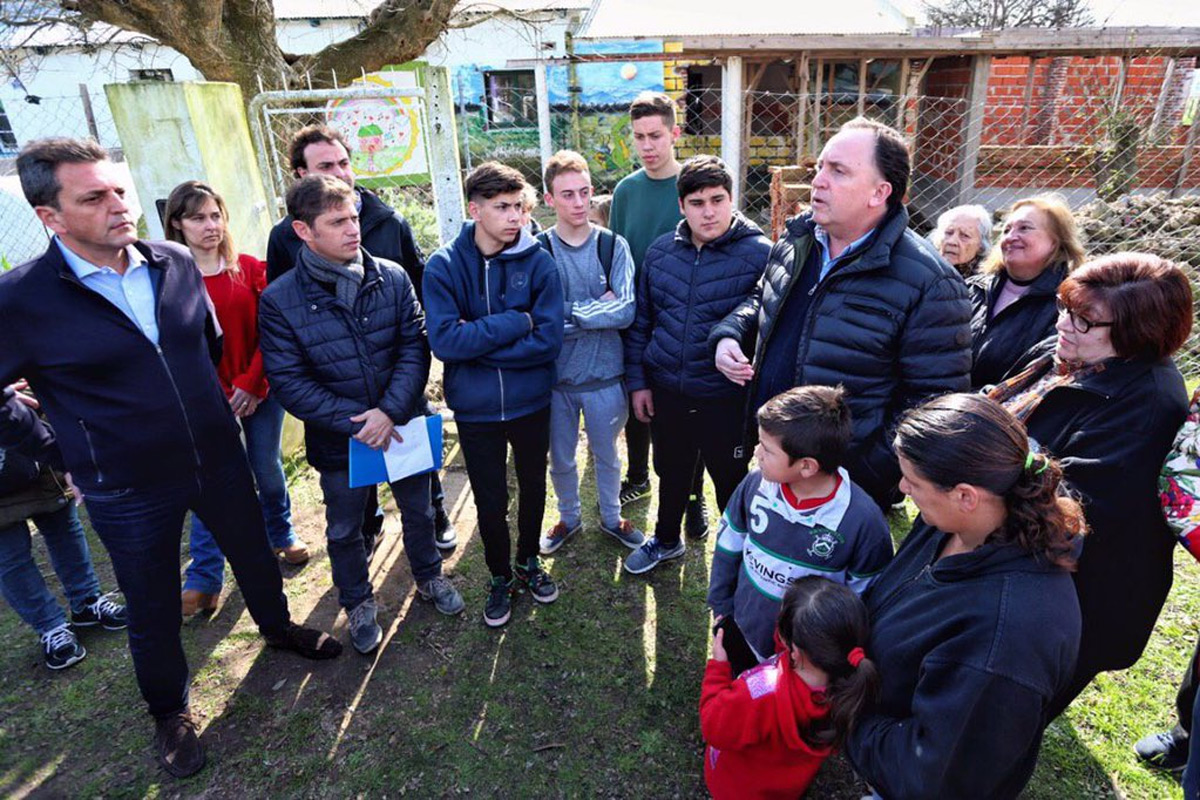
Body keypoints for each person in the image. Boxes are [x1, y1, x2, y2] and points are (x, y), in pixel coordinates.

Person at [0, 137, 340, 779]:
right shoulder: (21, 299)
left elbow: (204, 348)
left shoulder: (174, 261)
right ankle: (170, 712)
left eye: (119, 190)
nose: (117, 206)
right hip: (125, 486)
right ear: (50, 216)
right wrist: (58, 448)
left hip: (215, 456)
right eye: (93, 197)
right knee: (152, 603)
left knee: (254, 554)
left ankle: (277, 629)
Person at [711, 117, 972, 511]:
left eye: (838, 171)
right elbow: (763, 296)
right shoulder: (798, 241)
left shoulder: (931, 284)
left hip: (844, 489)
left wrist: (860, 475)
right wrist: (731, 333)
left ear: (879, 192)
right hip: (774, 460)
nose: (818, 180)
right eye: (820, 167)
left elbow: (932, 405)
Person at [259, 175, 464, 654]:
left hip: (403, 423)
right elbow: (290, 382)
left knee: (418, 510)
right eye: (338, 221)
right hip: (341, 439)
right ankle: (358, 602)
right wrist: (362, 421)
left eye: (353, 216)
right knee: (345, 528)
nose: (354, 228)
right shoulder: (279, 300)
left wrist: (389, 411)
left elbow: (416, 346)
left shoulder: (391, 276)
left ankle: (430, 577)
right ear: (303, 231)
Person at [846, 394, 1084, 799]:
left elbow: (933, 776)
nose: (902, 488)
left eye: (913, 482)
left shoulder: (1005, 641)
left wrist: (844, 713)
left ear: (965, 495)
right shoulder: (954, 524)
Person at [988, 252, 1192, 720]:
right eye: (1065, 308)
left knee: (1003, 718)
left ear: (1137, 334)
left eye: (1085, 319)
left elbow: (1071, 511)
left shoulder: (1149, 405)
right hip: (1015, 565)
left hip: (1074, 598)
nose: (1064, 323)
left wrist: (972, 458)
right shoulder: (1069, 352)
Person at [266, 124, 457, 552]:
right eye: (326, 165)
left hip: (398, 388)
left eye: (344, 163)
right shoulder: (283, 238)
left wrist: (393, 403)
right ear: (302, 174)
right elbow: (287, 317)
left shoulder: (389, 220)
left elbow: (417, 297)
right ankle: (370, 525)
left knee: (418, 484)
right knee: (353, 486)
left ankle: (437, 512)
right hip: (340, 393)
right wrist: (353, 413)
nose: (341, 173)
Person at [423, 161, 564, 628]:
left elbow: (549, 340)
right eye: (502, 207)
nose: (514, 217)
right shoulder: (443, 266)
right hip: (477, 411)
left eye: (519, 207)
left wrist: (480, 346)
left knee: (532, 487)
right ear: (474, 209)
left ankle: (529, 561)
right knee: (489, 497)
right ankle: (499, 575)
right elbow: (445, 343)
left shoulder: (540, 261)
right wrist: (515, 321)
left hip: (531, 402)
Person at [163, 181, 309, 617]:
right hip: (206, 402)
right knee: (215, 486)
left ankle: (280, 533)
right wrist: (216, 395)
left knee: (265, 469)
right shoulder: (167, 278)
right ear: (176, 224)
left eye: (215, 215)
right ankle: (205, 578)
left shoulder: (248, 268)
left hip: (260, 389)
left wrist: (250, 383)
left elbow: (273, 334)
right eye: (197, 217)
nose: (209, 226)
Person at [623, 155, 771, 575]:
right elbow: (642, 322)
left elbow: (766, 317)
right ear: (682, 207)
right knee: (670, 470)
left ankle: (743, 557)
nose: (708, 211)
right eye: (697, 202)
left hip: (727, 396)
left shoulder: (761, 253)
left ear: (731, 199)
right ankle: (667, 540)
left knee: (732, 481)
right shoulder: (660, 253)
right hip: (668, 388)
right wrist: (639, 383)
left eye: (717, 199)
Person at [707, 385, 892, 664]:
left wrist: (827, 654)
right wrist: (721, 604)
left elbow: (862, 601)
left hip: (806, 659)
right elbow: (728, 544)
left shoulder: (863, 523)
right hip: (743, 629)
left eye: (767, 449)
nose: (756, 452)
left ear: (806, 466)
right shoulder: (755, 485)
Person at [609, 92, 708, 538]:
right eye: (639, 138)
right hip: (637, 318)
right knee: (638, 401)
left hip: (684, 320)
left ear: (675, 133)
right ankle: (636, 475)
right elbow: (615, 254)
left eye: (655, 136)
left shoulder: (693, 188)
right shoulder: (627, 192)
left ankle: (693, 498)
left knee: (687, 416)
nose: (647, 146)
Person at [535, 150, 644, 555]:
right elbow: (539, 317)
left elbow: (626, 309)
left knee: (607, 455)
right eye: (567, 195)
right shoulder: (539, 249)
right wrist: (596, 309)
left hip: (604, 377)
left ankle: (613, 518)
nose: (578, 203)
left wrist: (570, 313)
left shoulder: (614, 246)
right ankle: (569, 516)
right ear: (550, 199)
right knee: (560, 457)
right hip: (556, 380)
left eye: (584, 193)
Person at [702, 576, 879, 800]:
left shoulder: (761, 693)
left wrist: (718, 668)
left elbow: (713, 725)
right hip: (784, 788)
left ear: (794, 649)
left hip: (735, 788)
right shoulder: (850, 687)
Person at [1, 383, 127, 670]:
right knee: (9, 553)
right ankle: (50, 626)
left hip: (30, 429)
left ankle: (86, 600)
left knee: (64, 525)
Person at [967, 195, 1085, 389]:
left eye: (1024, 228)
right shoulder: (972, 289)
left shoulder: (1067, 306)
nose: (1010, 237)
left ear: (1055, 241)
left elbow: (1033, 381)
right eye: (1006, 230)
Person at [928, 203, 991, 277]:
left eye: (965, 235)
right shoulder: (925, 264)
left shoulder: (986, 280)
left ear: (981, 246)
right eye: (948, 232)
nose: (952, 241)